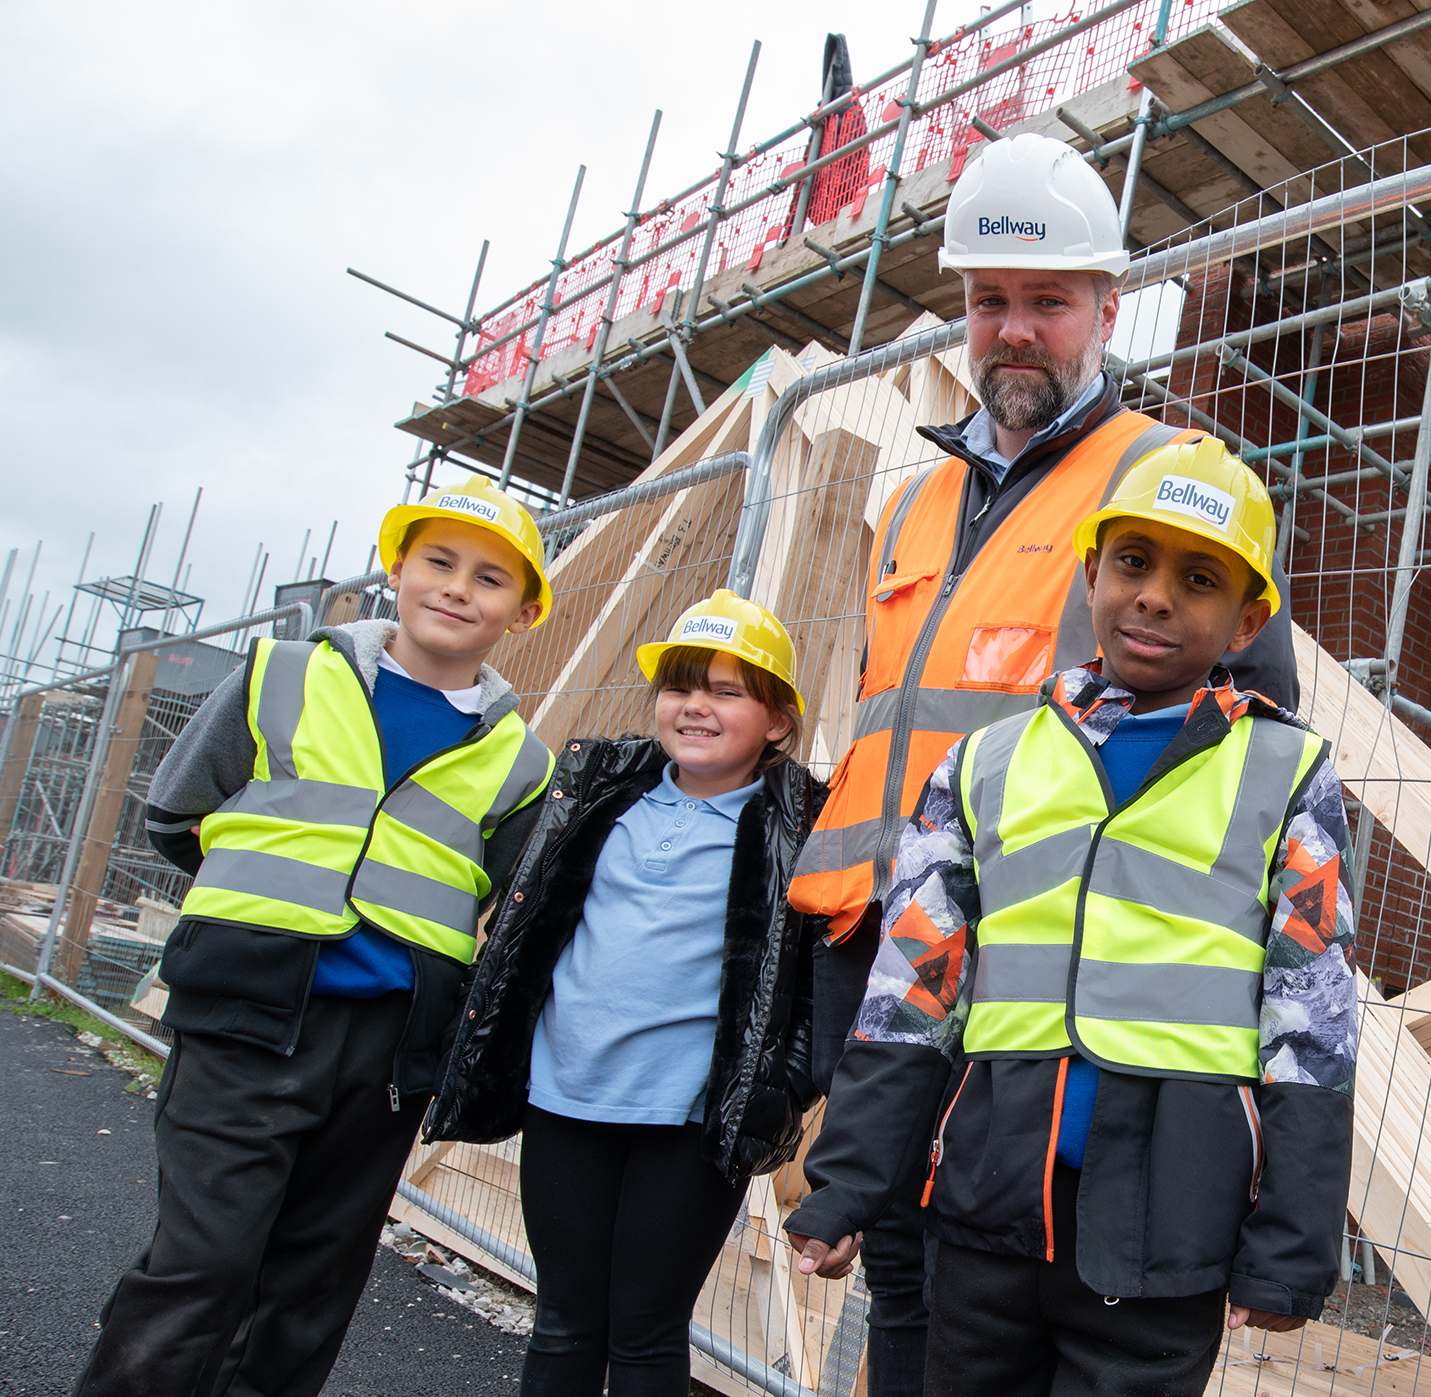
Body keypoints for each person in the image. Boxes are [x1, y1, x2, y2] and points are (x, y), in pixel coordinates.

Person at [786, 130, 1302, 1397]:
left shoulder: (1165, 484)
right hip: (883, 944)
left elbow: (1248, 749)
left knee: (969, 1292)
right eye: (990, 301)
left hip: (1033, 972)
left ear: (1104, 310)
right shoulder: (916, 501)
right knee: (900, 1278)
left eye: (1047, 302)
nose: (1014, 330)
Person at [785, 440, 1358, 1396]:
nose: (1156, 596)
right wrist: (849, 1178)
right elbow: (909, 995)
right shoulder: (983, 765)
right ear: (1091, 572)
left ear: (1250, 616)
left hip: (1169, 1216)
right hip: (988, 1193)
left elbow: (1315, 1021)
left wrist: (1293, 1239)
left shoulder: (1289, 775)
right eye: (1132, 562)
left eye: (1200, 578)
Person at [76, 477, 558, 1397]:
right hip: (245, 1016)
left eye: (491, 578)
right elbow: (178, 815)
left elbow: (498, 894)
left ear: (524, 610)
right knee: (204, 1267)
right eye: (439, 562)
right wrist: (258, 912)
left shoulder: (521, 760)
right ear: (397, 568)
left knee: (311, 1288)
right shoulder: (280, 673)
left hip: (383, 1053)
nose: (459, 588)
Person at [423, 589, 824, 1397]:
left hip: (684, 1120)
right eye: (679, 686)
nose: (694, 706)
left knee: (644, 1332)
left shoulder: (800, 828)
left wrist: (784, 1091)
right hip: (568, 1099)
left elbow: (811, 989)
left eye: (725, 689)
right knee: (565, 1320)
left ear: (777, 721)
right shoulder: (600, 796)